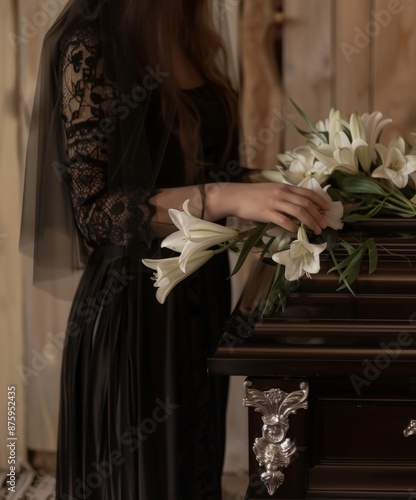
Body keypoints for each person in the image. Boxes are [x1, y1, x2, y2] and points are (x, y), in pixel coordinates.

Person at [20, 0, 330, 498]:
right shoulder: (90, 43)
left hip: (200, 300)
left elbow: (210, 175)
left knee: (193, 473)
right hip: (134, 312)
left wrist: (298, 189)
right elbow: (97, 213)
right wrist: (227, 196)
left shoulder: (190, 30)